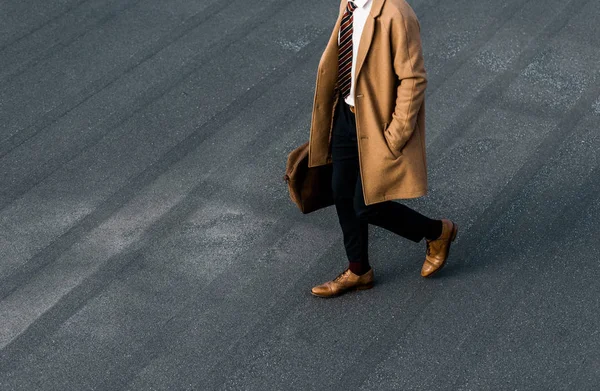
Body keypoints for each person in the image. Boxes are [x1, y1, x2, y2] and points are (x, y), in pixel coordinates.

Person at [307, 0, 458, 298]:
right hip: (346, 116)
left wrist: (395, 135)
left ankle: (437, 232)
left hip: (376, 124)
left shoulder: (396, 14)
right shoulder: (349, 5)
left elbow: (413, 79)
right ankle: (359, 270)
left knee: (367, 205)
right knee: (340, 191)